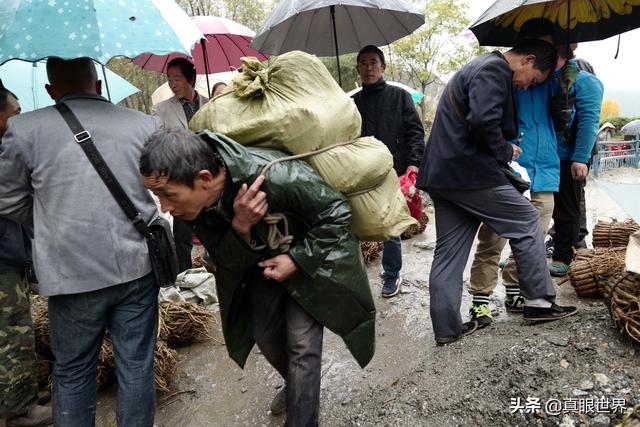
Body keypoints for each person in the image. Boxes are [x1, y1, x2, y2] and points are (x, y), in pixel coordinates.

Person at [140, 129, 376, 426]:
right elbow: (223, 260)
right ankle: (297, 387)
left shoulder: (274, 174)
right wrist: (240, 226)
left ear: (204, 179)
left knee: (302, 349)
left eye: (168, 194)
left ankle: (302, 414)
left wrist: (296, 259)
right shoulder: (196, 209)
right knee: (265, 338)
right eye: (158, 196)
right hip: (259, 269)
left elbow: (337, 211)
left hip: (310, 266)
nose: (164, 207)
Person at [0, 57, 160, 426]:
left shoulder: (24, 129)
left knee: (72, 371)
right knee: (136, 364)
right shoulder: (142, 124)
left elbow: (7, 201)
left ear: (50, 91)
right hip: (136, 267)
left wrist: (50, 222)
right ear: (100, 86)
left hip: (70, 275)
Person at [416, 39, 578, 345]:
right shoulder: (493, 69)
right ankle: (540, 303)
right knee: (528, 220)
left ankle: (447, 329)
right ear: (527, 60)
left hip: (442, 175)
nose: (527, 87)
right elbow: (482, 120)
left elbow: (477, 119)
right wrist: (505, 149)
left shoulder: (477, 66)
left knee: (449, 254)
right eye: (533, 80)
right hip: (469, 174)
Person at [467, 19, 560, 327]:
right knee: (493, 236)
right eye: (538, 43)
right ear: (526, 48)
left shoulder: (556, 78)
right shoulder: (502, 74)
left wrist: (568, 66)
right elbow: (485, 117)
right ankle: (480, 296)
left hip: (544, 167)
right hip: (506, 166)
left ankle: (516, 288)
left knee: (535, 234)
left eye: (551, 45)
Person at [352, 45, 425, 298]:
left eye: (373, 62)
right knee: (355, 222)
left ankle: (392, 274)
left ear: (383, 67)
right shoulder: (352, 104)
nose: (368, 67)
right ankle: (353, 276)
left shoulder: (399, 97)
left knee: (391, 224)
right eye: (363, 63)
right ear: (358, 69)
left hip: (394, 170)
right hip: (361, 173)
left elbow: (415, 131)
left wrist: (414, 163)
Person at [0, 82, 52, 427]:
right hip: (2, 259)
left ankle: (23, 393)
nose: (18, 121)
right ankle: (18, 408)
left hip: (10, 253)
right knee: (11, 331)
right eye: (14, 114)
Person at [548, 45, 604, 276]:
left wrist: (580, 157)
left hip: (570, 157)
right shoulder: (548, 78)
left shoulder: (587, 82)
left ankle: (564, 255)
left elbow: (590, 122)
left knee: (567, 208)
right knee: (539, 207)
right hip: (546, 153)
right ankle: (524, 254)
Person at [154, 57, 209, 273]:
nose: (172, 83)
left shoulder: (210, 103)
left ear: (191, 79)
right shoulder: (162, 109)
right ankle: (184, 274)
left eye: (177, 78)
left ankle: (213, 268)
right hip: (180, 178)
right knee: (182, 234)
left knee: (212, 228)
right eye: (169, 79)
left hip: (208, 178)